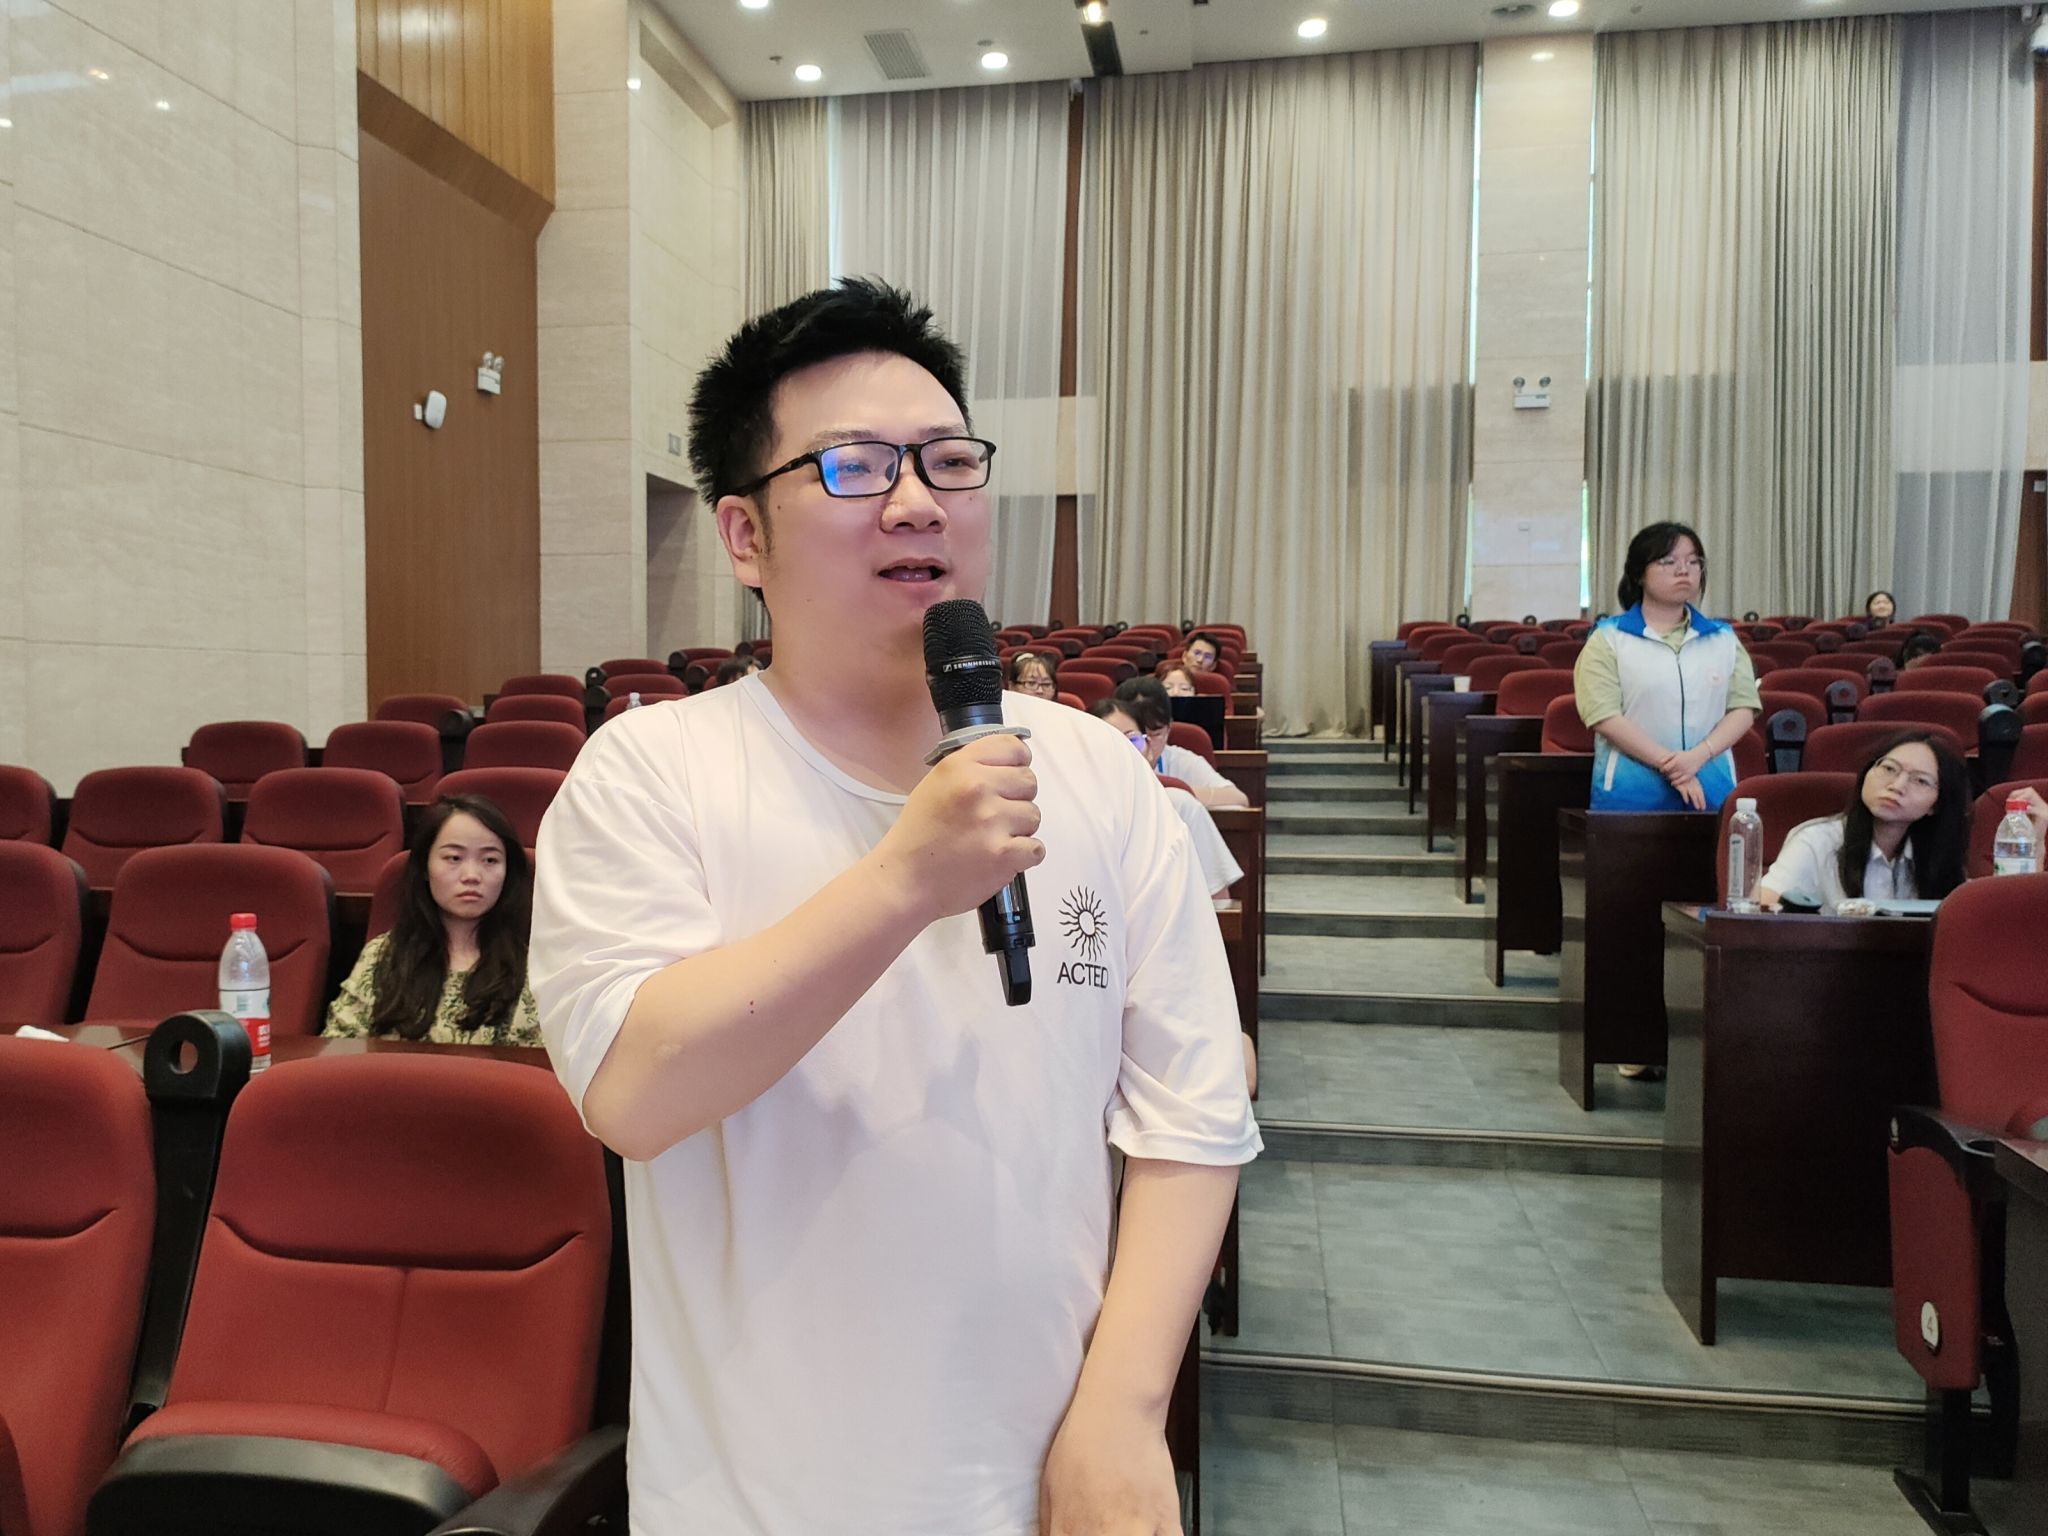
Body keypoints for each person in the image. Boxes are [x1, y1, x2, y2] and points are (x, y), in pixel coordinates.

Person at [529, 278, 1257, 1536]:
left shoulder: (1097, 774)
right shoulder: (651, 771)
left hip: (1050, 1487)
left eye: (948, 461)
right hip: (750, 1502)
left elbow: (1191, 1115)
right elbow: (635, 1096)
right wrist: (903, 881)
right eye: (855, 466)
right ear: (743, 537)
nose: (917, 500)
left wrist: (1123, 1413)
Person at [1574, 522, 1760, 812]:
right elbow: (1604, 716)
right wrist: (1673, 767)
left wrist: (1697, 758)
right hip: (1631, 793)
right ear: (1639, 573)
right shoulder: (1608, 638)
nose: (1684, 570)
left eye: (1693, 561)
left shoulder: (1723, 638)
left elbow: (1744, 708)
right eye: (1669, 561)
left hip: (1711, 789)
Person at [326, 794, 541, 1044]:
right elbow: (338, 1049)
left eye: (490, 860)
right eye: (454, 858)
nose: (471, 875)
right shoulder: (382, 955)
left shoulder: (536, 967)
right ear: (425, 867)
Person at [1756, 731, 1971, 910]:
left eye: (1920, 781)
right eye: (1889, 769)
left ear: (1936, 804)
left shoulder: (1940, 854)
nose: (1897, 786)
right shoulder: (1817, 841)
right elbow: (1764, 907)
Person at [1089, 698, 1246, 901]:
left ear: (1149, 747)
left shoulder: (1180, 805)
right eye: (1109, 743)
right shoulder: (1074, 811)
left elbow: (1218, 898)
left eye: (1133, 741)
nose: (1125, 752)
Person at [1111, 680, 1248, 812]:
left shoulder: (1182, 761)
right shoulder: (1105, 762)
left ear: (1168, 729)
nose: (1147, 744)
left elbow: (1239, 798)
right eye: (1134, 738)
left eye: (1155, 734)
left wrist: (1177, 791)